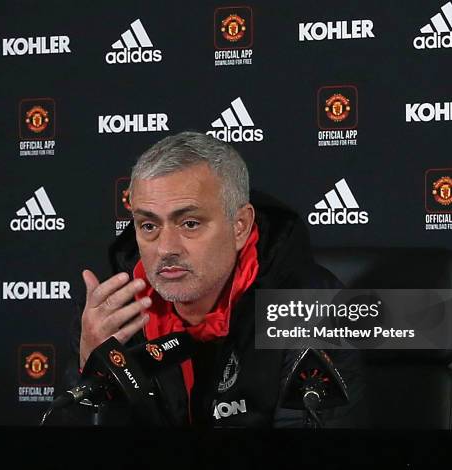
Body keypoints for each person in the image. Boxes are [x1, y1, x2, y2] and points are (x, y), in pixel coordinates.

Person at [63, 131, 364, 427]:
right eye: (148, 225)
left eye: (190, 223)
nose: (166, 248)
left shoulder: (314, 306)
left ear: (240, 227)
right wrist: (94, 377)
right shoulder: (112, 313)